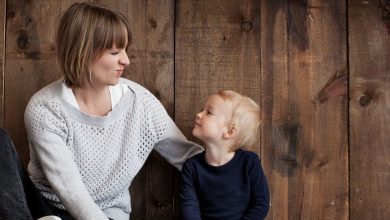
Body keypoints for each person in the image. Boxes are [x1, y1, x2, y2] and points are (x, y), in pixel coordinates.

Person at [20, 2, 203, 220]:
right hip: (47, 209)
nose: (125, 60)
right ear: (83, 52)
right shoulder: (45, 108)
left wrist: (238, 168)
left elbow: (186, 156)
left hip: (108, 214)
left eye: (125, 50)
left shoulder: (140, 102)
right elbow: (69, 189)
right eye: (115, 51)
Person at [180, 90, 270, 220]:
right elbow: (189, 207)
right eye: (202, 110)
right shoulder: (191, 167)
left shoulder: (250, 162)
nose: (199, 114)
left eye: (209, 112)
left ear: (230, 131)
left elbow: (261, 204)